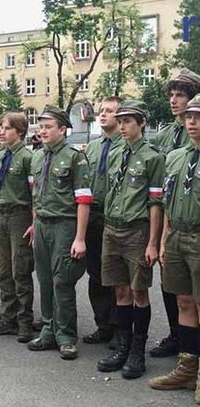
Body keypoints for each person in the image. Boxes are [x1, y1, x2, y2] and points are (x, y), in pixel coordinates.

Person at [96, 100, 164, 379]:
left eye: (128, 121)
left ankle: (138, 349)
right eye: (120, 121)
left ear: (142, 124)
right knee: (120, 290)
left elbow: (156, 203)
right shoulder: (114, 153)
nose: (122, 126)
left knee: (139, 292)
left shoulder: (153, 158)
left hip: (137, 231)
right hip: (112, 228)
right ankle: (122, 346)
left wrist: (152, 242)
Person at [27, 105, 91, 360]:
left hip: (65, 225)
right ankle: (48, 331)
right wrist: (34, 223)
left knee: (62, 281)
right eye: (41, 126)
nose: (43, 130)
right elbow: (36, 195)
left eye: (48, 126)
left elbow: (83, 200)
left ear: (62, 130)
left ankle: (66, 336)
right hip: (42, 224)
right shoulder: (37, 157)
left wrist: (80, 237)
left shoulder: (74, 157)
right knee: (44, 279)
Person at [148, 94, 200, 403]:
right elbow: (167, 200)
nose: (192, 122)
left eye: (198, 117)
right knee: (183, 302)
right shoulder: (177, 156)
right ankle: (187, 368)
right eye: (190, 117)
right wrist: (164, 238)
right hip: (178, 236)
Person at [0, 112, 34, 342]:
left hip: (19, 216)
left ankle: (24, 320)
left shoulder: (28, 158)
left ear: (20, 132)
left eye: (6, 128)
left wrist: (33, 221)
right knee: (3, 269)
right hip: (0, 216)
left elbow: (35, 194)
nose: (0, 132)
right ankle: (8, 316)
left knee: (20, 269)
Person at [83, 96, 123, 345]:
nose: (103, 114)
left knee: (116, 275)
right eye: (101, 110)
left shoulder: (124, 147)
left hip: (115, 217)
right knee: (96, 274)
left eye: (109, 111)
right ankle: (103, 324)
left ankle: (120, 327)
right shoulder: (94, 146)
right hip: (94, 215)